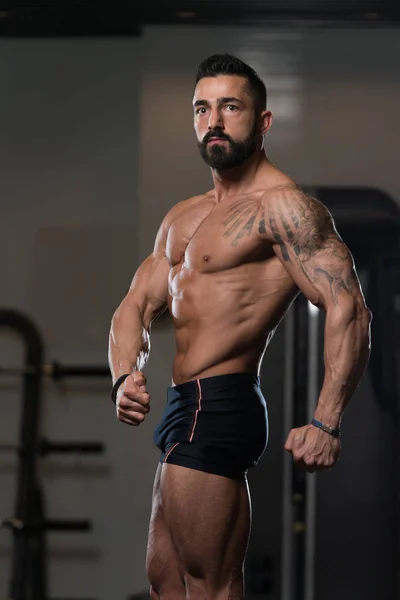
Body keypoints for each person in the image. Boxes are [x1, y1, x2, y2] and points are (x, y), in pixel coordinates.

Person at [108, 54, 371, 600]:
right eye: (203, 108)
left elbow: (349, 306)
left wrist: (326, 422)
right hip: (185, 405)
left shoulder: (285, 209)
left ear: (263, 121)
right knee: (166, 581)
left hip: (221, 401)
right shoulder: (183, 216)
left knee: (210, 583)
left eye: (231, 107)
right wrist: (124, 375)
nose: (215, 121)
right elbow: (134, 305)